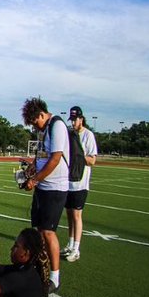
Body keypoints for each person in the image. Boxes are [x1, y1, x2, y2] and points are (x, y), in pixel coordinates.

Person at [20, 96, 69, 291]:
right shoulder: (44, 129)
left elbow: (55, 158)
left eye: (35, 122)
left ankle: (55, 278)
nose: (35, 127)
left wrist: (35, 179)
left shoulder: (56, 126)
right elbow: (41, 155)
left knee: (48, 232)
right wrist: (31, 168)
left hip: (55, 187)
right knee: (39, 232)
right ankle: (40, 269)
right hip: (43, 187)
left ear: (42, 114)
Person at [61, 106, 98, 262]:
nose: (73, 123)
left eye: (75, 119)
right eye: (72, 120)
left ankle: (76, 248)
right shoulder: (70, 135)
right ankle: (70, 244)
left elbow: (93, 160)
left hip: (80, 184)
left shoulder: (88, 135)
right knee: (69, 215)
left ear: (81, 119)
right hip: (68, 182)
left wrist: (79, 154)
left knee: (77, 215)